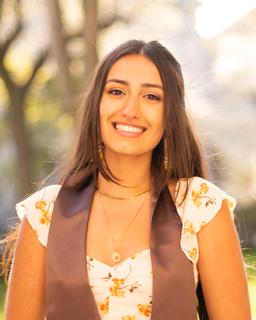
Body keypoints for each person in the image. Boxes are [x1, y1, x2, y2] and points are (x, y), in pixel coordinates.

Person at [2, 40, 251, 320]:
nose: (131, 109)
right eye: (117, 91)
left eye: (151, 97)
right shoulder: (43, 214)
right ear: (97, 104)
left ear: (169, 116)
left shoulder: (200, 207)